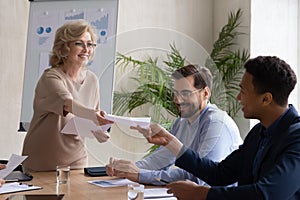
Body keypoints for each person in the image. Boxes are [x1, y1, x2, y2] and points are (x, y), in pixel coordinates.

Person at [132, 56, 300, 200]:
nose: (238, 97)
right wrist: (170, 142)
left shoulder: (296, 138)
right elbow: (220, 173)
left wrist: (203, 194)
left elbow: (266, 194)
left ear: (266, 99)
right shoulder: (259, 132)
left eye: (243, 91)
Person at [106, 64, 243, 186]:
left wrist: (140, 175)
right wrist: (127, 169)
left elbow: (200, 177)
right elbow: (163, 158)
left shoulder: (216, 123)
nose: (177, 100)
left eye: (185, 93)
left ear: (205, 93)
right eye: (176, 93)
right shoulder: (182, 121)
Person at [22, 20, 113, 172]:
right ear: (64, 47)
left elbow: (86, 120)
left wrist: (98, 131)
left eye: (90, 44)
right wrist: (94, 115)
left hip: (76, 159)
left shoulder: (92, 80)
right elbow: (67, 104)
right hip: (42, 160)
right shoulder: (51, 77)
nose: (86, 49)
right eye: (79, 43)